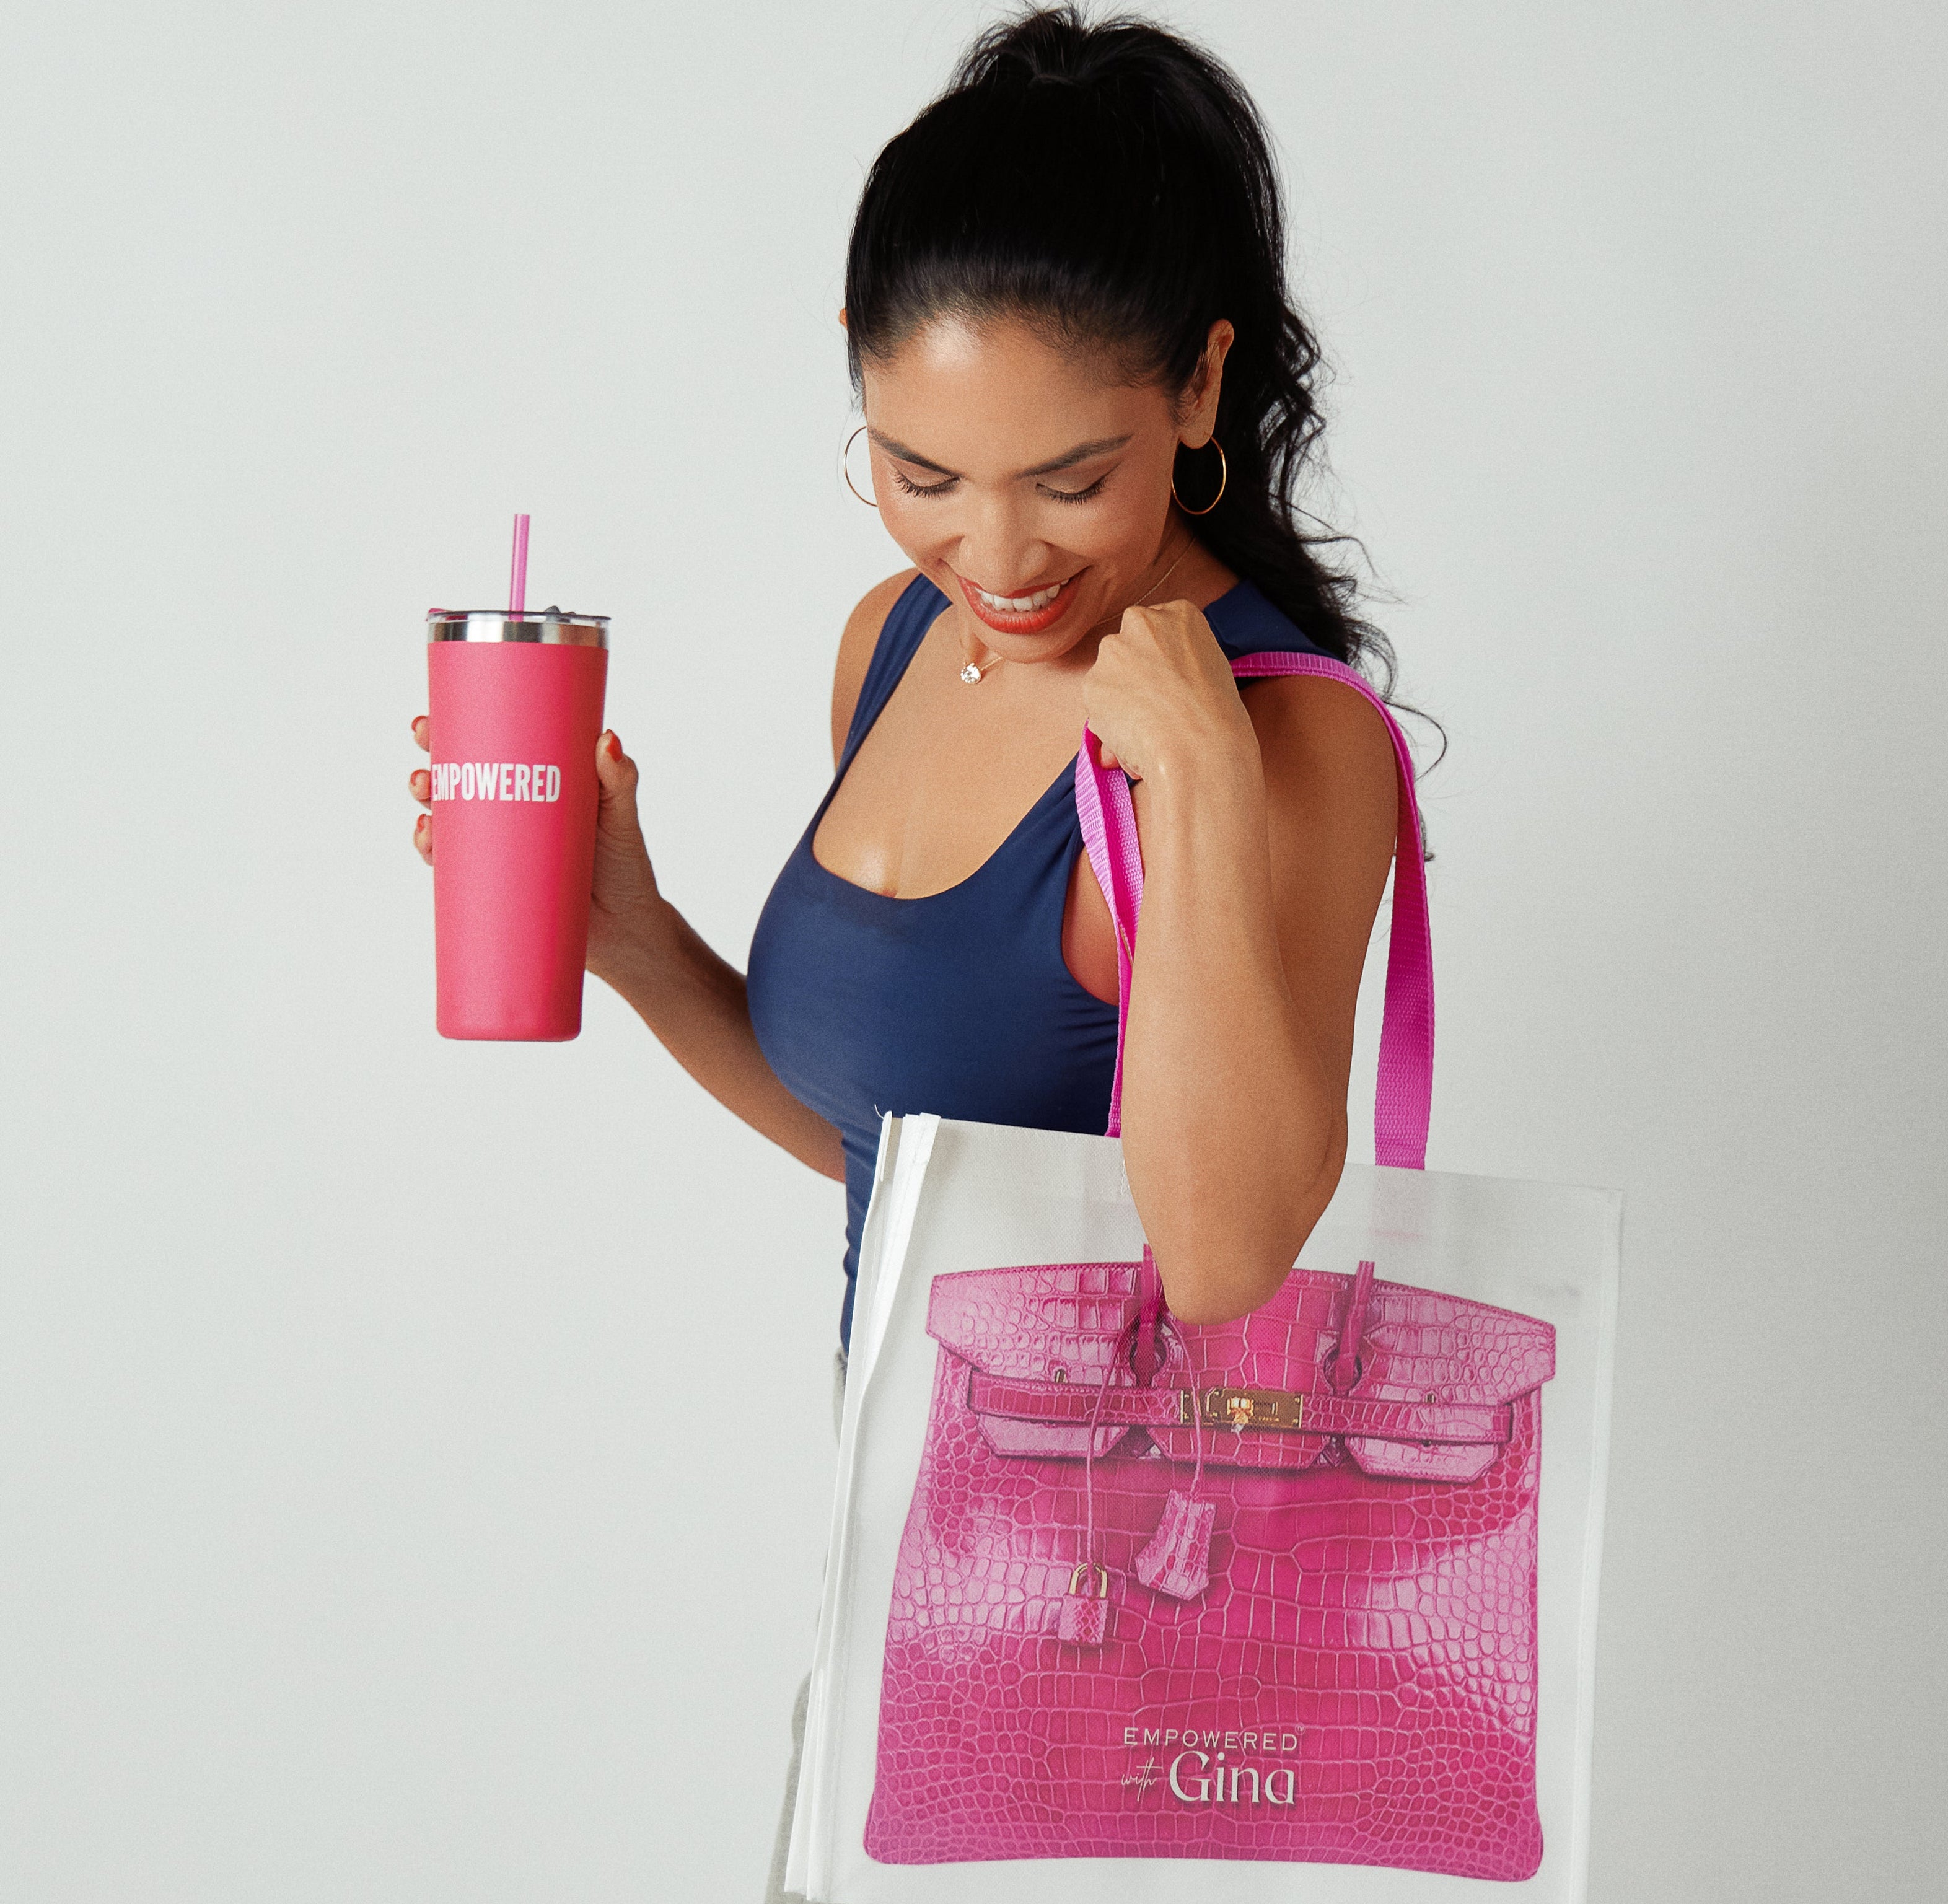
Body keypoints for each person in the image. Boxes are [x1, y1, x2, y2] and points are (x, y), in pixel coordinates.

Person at [406, 9, 1405, 1892]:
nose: (995, 555)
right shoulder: (892, 643)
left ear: (1201, 387)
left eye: (1068, 479)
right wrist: (634, 938)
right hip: (903, 1576)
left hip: (1145, 1647)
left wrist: (1196, 793)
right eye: (922, 471)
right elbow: (904, 1153)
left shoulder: (1289, 741)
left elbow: (1225, 1257)